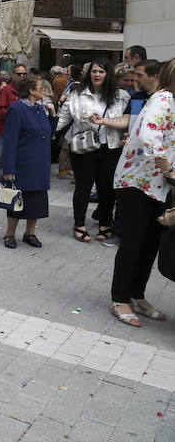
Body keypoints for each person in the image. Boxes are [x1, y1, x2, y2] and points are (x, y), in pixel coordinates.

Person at [107, 60, 173, 327]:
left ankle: (137, 294)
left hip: (159, 185)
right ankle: (119, 298)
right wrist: (166, 165)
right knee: (134, 242)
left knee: (150, 244)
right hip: (136, 181)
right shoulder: (164, 99)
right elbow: (149, 135)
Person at [57, 59, 130, 243]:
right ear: (89, 74)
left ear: (108, 74)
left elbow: (129, 120)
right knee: (83, 187)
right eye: (94, 71)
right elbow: (62, 119)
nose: (97, 74)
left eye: (101, 71)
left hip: (111, 147)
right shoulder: (78, 94)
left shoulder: (121, 96)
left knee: (107, 189)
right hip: (84, 147)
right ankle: (79, 224)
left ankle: (105, 223)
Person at [0, 74, 51, 249]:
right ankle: (9, 234)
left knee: (37, 202)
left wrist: (52, 113)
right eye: (40, 87)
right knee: (17, 202)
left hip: (39, 164)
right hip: (23, 164)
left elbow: (48, 132)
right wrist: (8, 168)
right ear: (31, 90)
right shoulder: (17, 109)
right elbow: (10, 141)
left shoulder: (39, 108)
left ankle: (30, 233)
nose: (42, 90)